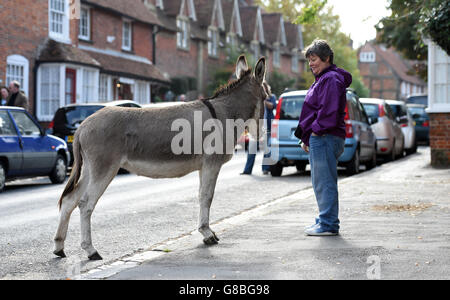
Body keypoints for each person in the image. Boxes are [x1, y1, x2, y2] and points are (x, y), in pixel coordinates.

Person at [296, 39, 352, 236]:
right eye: (309, 60)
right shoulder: (326, 78)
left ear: (327, 58)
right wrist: (307, 136)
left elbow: (328, 111)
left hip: (325, 137)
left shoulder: (330, 79)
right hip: (323, 137)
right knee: (321, 181)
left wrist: (315, 132)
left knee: (324, 181)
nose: (311, 64)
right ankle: (325, 219)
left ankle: (328, 224)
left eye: (314, 59)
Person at [241, 84, 276, 175]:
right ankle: (247, 170)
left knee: (267, 149)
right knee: (251, 149)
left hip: (266, 127)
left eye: (263, 88)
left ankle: (265, 168)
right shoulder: (254, 98)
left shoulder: (271, 97)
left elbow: (272, 106)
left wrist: (263, 100)